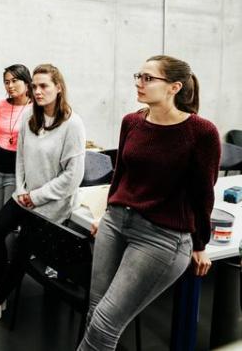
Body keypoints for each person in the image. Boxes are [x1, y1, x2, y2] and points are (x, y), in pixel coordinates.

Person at [78, 55, 220, 351]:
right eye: (138, 76)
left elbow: (203, 194)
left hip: (161, 238)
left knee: (104, 323)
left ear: (174, 87)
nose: (138, 83)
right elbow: (121, 176)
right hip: (116, 223)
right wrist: (106, 214)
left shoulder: (201, 132)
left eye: (148, 78)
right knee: (95, 310)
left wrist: (200, 243)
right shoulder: (132, 121)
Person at [0, 63, 85, 324]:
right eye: (35, 86)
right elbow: (21, 161)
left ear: (58, 87)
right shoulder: (31, 118)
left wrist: (36, 196)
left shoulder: (72, 124)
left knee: (22, 247)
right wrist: (21, 189)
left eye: (44, 86)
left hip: (51, 203)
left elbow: (72, 177)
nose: (37, 91)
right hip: (25, 196)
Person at [0, 64, 32, 224]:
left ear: (27, 83)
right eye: (6, 82)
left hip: (16, 173)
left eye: (14, 81)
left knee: (8, 224)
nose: (10, 86)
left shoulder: (35, 109)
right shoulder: (2, 105)